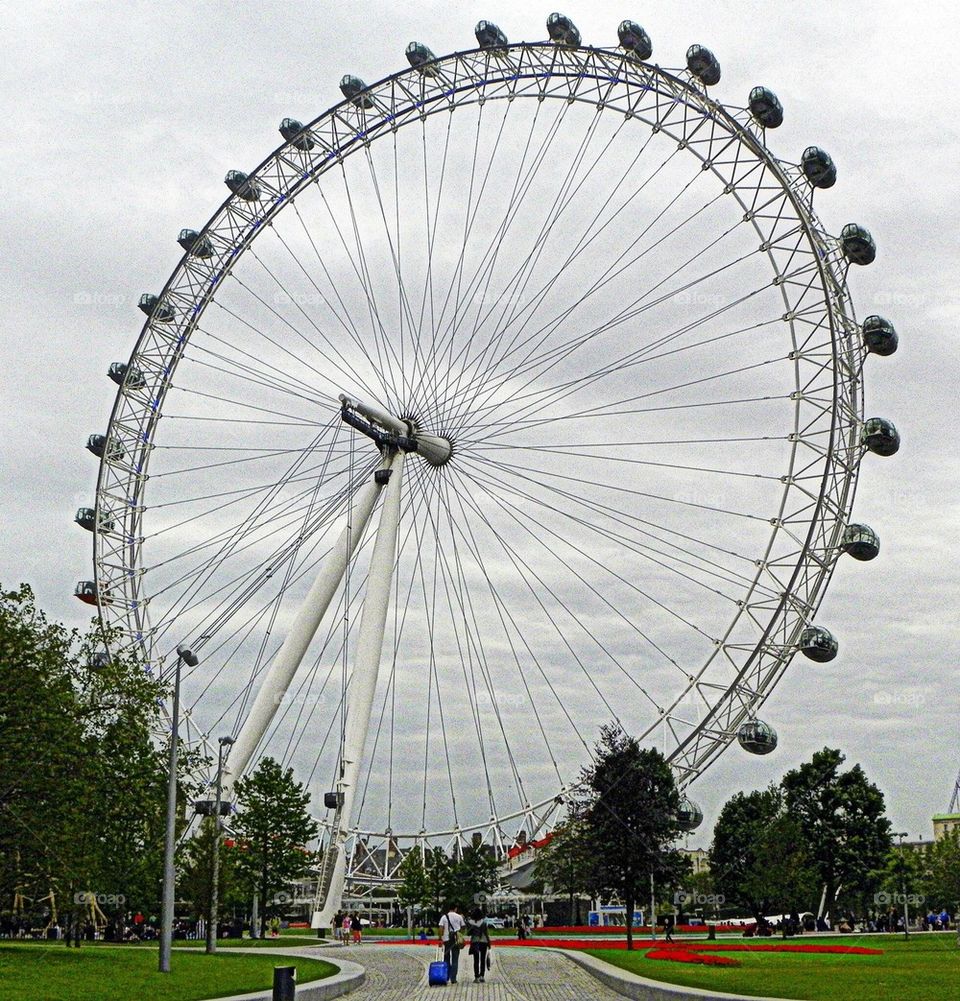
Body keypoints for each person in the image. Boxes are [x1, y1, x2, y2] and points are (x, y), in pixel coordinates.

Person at [439, 903, 465, 985]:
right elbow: (463, 927)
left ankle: (446, 976)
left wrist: (440, 939)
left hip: (447, 940)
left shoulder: (444, 917)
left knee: (446, 958)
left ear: (449, 909)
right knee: (455, 959)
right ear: (455, 908)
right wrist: (460, 934)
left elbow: (441, 928)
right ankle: (453, 978)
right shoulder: (459, 917)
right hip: (456, 940)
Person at [466, 909, 491, 983]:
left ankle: (476, 977)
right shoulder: (484, 922)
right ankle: (482, 976)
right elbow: (486, 933)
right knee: (482, 959)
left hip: (475, 941)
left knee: (476, 960)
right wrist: (489, 943)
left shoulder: (470, 923)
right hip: (484, 941)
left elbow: (468, 933)